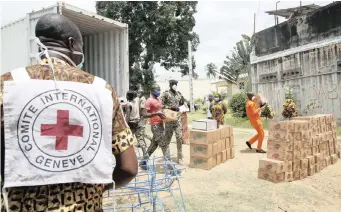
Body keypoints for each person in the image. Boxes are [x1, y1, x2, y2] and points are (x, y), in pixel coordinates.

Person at [0, 14, 137, 211]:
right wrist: (95, 189)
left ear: (41, 45)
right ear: (72, 44)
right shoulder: (101, 90)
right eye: (82, 46)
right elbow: (128, 168)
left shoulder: (7, 84)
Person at [141, 84, 167, 167]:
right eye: (157, 90)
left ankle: (143, 162)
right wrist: (156, 114)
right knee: (164, 144)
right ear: (152, 91)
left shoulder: (158, 99)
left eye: (159, 89)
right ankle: (171, 167)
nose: (158, 91)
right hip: (155, 125)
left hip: (161, 124)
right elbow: (144, 114)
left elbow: (161, 108)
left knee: (154, 145)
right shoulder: (149, 101)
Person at [125, 90, 147, 157]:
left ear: (129, 96)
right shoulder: (137, 102)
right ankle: (145, 155)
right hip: (138, 122)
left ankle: (129, 157)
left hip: (131, 124)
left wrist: (125, 125)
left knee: (128, 140)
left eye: (127, 95)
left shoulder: (128, 104)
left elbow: (128, 116)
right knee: (140, 139)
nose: (126, 96)